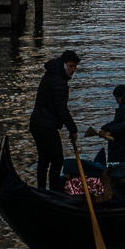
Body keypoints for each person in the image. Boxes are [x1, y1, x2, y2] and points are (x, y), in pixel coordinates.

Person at [30, 48, 80, 193]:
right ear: (64, 64)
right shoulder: (59, 82)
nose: (74, 70)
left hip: (36, 123)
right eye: (71, 66)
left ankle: (41, 190)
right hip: (46, 126)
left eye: (75, 67)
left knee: (44, 160)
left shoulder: (51, 74)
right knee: (57, 160)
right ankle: (53, 193)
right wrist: (73, 129)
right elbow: (61, 109)